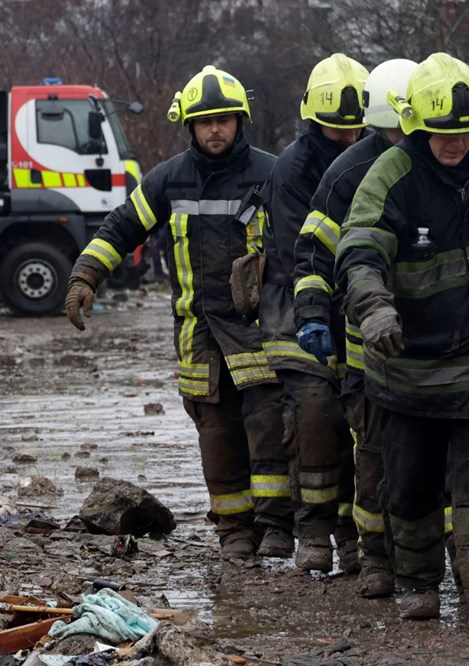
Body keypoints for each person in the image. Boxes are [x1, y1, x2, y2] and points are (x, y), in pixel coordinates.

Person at [334, 52, 469, 635]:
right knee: (412, 486)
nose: (457, 144)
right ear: (418, 126)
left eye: (467, 133)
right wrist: (373, 310)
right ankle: (419, 583)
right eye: (444, 134)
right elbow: (361, 250)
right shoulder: (389, 175)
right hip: (409, 369)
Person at [65, 65, 294, 560]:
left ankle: (277, 527)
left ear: (240, 121)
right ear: (189, 125)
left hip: (259, 330)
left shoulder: (273, 173)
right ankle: (234, 530)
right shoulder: (168, 179)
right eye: (205, 121)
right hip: (198, 333)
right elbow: (122, 227)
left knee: (269, 425)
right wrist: (86, 276)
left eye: (225, 120)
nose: (216, 129)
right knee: (215, 432)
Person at [293, 57, 419, 596]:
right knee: (372, 451)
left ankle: (433, 556)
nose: (402, 141)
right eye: (392, 131)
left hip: (439, 340)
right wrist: (313, 315)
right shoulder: (346, 173)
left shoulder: (452, 161)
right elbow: (313, 256)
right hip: (367, 341)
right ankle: (375, 558)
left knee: (438, 453)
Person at [259, 53, 369, 571]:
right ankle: (314, 533)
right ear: (312, 120)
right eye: (335, 132)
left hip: (359, 304)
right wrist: (319, 314)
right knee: (315, 415)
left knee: (364, 421)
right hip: (298, 306)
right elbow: (295, 254)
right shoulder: (292, 170)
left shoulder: (373, 154)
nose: (347, 141)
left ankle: (354, 534)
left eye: (355, 131)